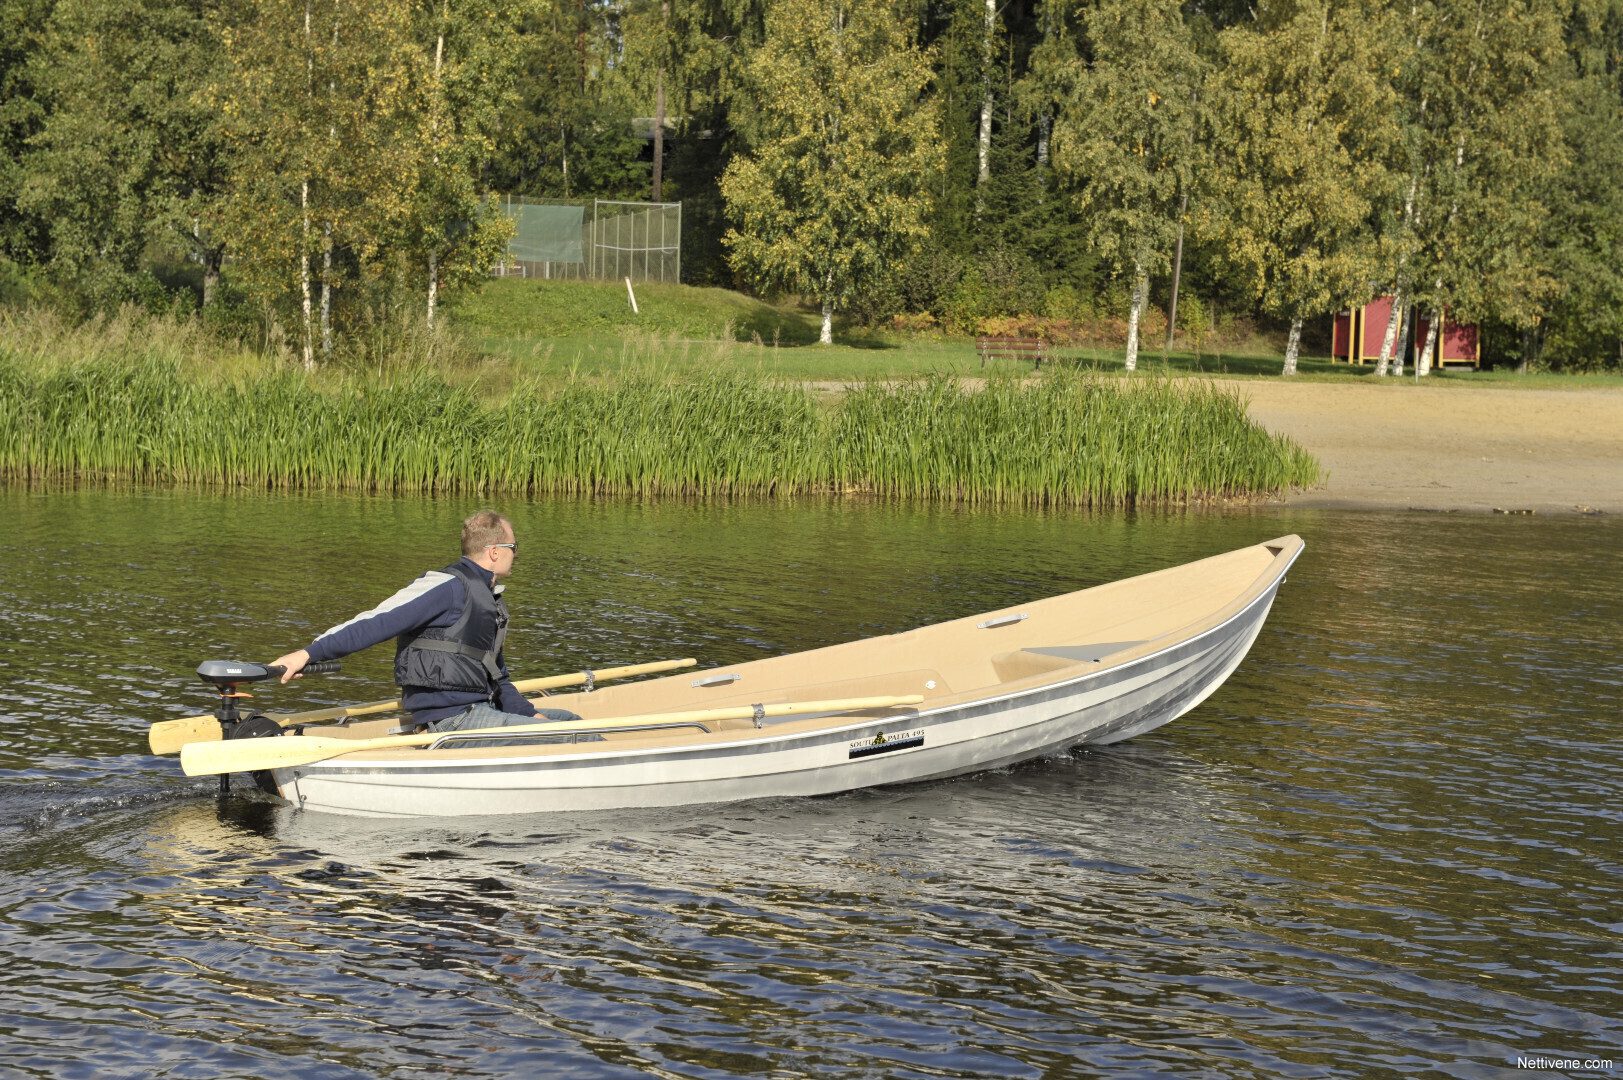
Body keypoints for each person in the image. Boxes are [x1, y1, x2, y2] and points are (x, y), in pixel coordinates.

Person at [270, 510, 582, 740]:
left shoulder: (487, 599)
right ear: (495, 552)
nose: (517, 555)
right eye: (515, 548)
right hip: (452, 721)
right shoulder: (448, 587)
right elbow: (376, 622)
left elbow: (497, 675)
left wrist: (528, 713)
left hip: (478, 710)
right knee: (576, 736)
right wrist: (309, 653)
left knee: (572, 721)